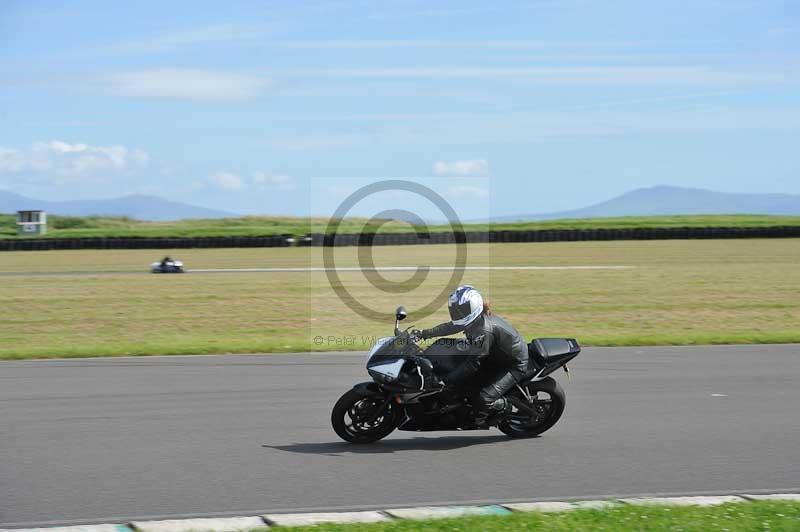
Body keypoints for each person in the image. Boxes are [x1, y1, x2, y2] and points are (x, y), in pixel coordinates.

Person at [413, 285, 529, 428]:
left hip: (512, 364)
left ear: (472, 308)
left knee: (483, 398)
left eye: (460, 310)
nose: (456, 313)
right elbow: (451, 326)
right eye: (454, 310)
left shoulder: (484, 330)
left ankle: (500, 409)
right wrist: (424, 334)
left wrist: (445, 380)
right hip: (492, 355)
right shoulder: (471, 320)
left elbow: (473, 364)